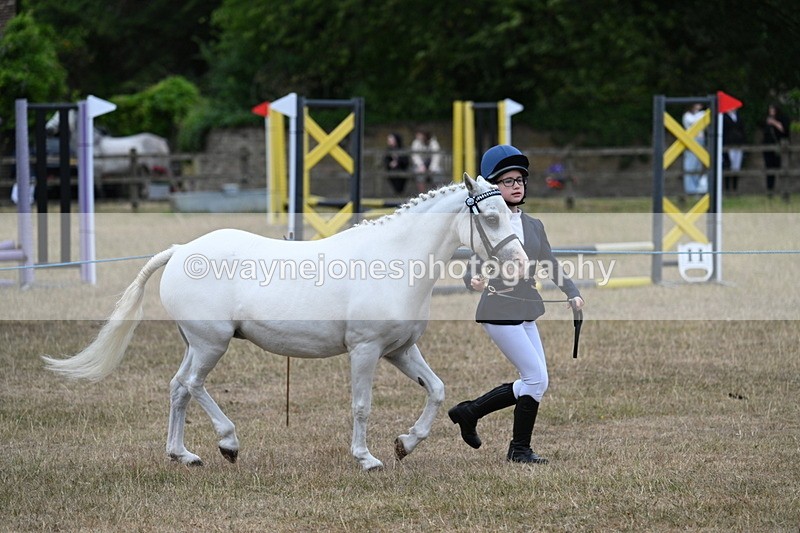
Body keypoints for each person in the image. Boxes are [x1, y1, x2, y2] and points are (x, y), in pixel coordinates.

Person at [448, 144, 585, 464]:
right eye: (507, 181)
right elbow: (472, 268)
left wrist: (571, 292)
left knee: (538, 381)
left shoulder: (534, 225)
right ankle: (518, 449)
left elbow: (549, 262)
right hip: (498, 309)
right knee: (534, 378)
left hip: (526, 308)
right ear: (493, 187)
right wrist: (473, 280)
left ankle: (470, 412)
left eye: (520, 180)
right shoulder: (491, 224)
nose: (516, 185)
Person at [762, 103, 790, 195]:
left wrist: (774, 123)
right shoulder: (766, 119)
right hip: (769, 148)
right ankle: (770, 190)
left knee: (782, 169)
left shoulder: (783, 119)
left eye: (773, 110)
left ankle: (784, 191)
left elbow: (784, 130)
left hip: (780, 147)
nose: (771, 112)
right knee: (769, 170)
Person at [681, 103, 708, 195]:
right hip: (691, 139)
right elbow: (694, 123)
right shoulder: (687, 115)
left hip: (700, 140)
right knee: (690, 165)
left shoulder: (701, 114)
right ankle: (690, 189)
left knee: (698, 165)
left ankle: (696, 188)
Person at [722, 108, 746, 193]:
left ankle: (735, 188)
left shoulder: (738, 117)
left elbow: (742, 130)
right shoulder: (724, 117)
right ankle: (727, 188)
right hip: (729, 143)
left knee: (736, 166)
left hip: (738, 144)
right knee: (728, 165)